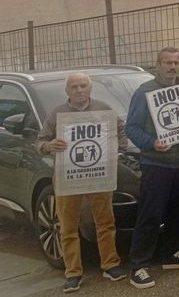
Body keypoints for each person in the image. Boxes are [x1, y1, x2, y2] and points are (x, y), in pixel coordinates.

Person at [35, 73, 128, 293]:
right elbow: (39, 141)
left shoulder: (104, 108)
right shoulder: (57, 114)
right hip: (68, 177)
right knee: (67, 226)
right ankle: (73, 273)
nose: (79, 90)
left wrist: (119, 151)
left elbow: (120, 130)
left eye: (83, 85)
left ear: (90, 87)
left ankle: (110, 264)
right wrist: (49, 146)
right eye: (74, 86)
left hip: (99, 174)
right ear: (67, 90)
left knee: (105, 222)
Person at [126, 48, 179, 289]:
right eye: (168, 62)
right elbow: (132, 128)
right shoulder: (144, 92)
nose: (173, 67)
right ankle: (138, 264)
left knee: (176, 211)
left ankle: (171, 253)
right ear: (157, 65)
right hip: (155, 163)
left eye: (176, 62)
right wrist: (151, 143)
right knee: (151, 213)